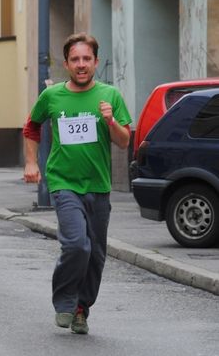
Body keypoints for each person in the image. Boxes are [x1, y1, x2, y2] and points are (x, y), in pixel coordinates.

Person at [23, 33, 132, 335]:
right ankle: (65, 302)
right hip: (63, 182)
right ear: (67, 63)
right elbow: (31, 126)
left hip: (98, 185)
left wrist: (110, 122)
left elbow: (124, 142)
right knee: (76, 245)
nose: (81, 64)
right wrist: (31, 162)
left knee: (95, 254)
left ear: (96, 62)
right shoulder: (53, 96)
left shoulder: (110, 95)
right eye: (75, 59)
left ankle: (82, 308)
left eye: (86, 59)